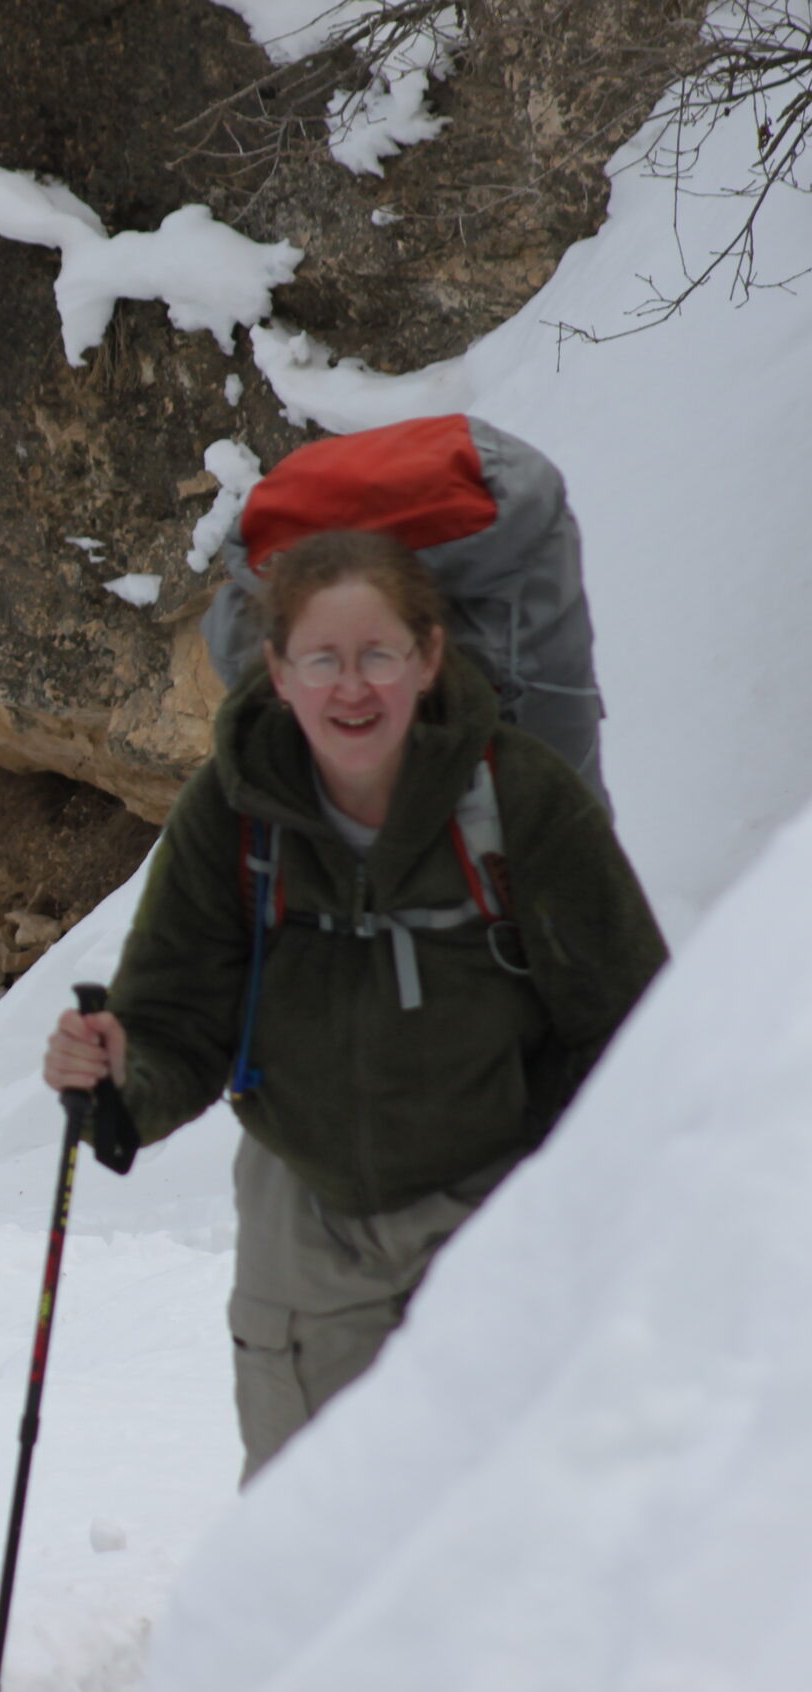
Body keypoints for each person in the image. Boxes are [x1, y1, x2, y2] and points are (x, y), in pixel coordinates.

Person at [43, 530, 665, 1481]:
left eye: (378, 655)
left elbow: (630, 1027)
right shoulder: (234, 811)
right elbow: (175, 1019)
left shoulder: (521, 799)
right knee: (309, 1533)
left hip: (496, 1211)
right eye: (323, 660)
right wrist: (119, 1066)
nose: (353, 689)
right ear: (279, 674)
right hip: (309, 1223)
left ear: (427, 657)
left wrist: (572, 1204)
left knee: (500, 1512)